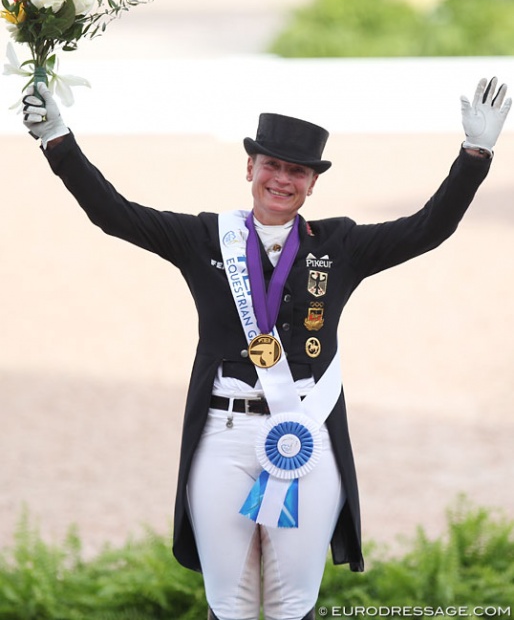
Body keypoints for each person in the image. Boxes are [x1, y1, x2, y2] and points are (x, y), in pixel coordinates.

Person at [22, 77, 510, 620]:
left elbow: (428, 229)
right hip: (224, 436)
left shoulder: (341, 244)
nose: (282, 179)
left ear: (311, 185)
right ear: (249, 168)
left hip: (307, 435)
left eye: (296, 171)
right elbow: (113, 213)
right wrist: (58, 140)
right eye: (271, 165)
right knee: (228, 601)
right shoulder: (204, 238)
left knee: (291, 601)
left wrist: (475, 155)